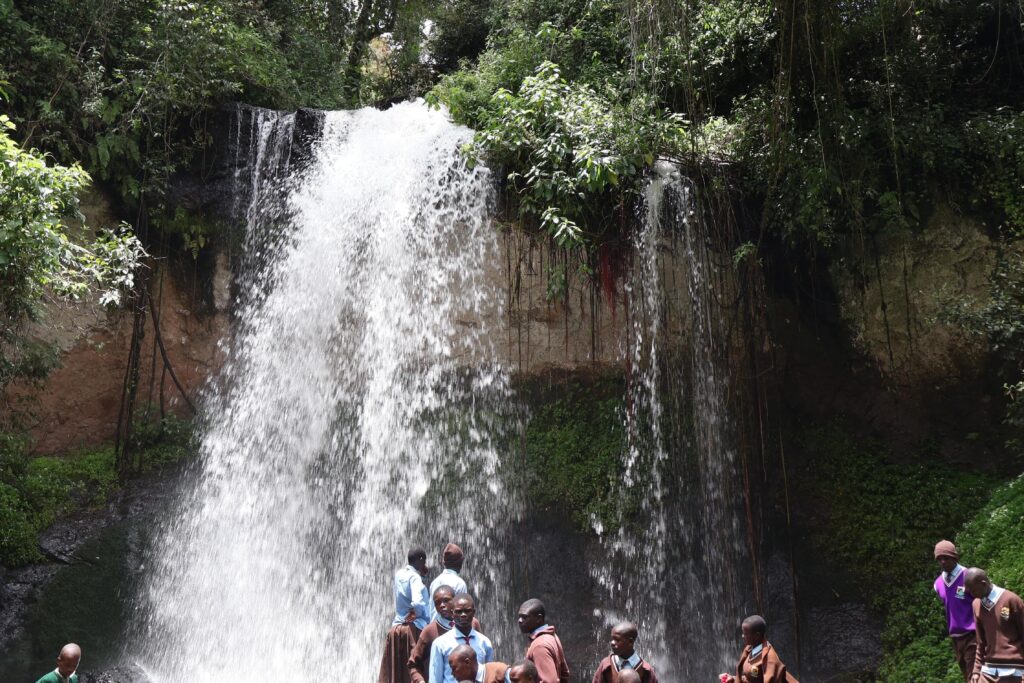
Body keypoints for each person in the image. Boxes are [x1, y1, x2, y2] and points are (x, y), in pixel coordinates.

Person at [410, 586, 483, 683]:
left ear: (455, 601)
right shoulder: (430, 631)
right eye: (437, 603)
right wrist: (420, 681)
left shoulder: (472, 623)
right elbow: (414, 663)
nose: (442, 605)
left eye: (446, 600)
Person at [379, 547, 430, 683]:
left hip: (396, 628)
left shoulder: (399, 574)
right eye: (424, 561)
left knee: (397, 670)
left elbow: (405, 591)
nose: (425, 564)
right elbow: (418, 602)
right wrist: (416, 612)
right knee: (416, 669)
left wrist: (422, 575)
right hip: (413, 630)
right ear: (420, 560)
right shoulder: (414, 578)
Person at [965, 567, 1024, 681]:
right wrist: (976, 671)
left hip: (1013, 668)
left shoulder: (1011, 600)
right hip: (989, 668)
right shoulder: (976, 604)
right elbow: (980, 642)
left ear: (984, 584)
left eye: (973, 591)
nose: (972, 595)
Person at [934, 540, 977, 681]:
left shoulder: (969, 577)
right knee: (966, 675)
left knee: (974, 676)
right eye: (939, 559)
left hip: (973, 634)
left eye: (945, 558)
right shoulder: (938, 584)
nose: (942, 562)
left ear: (954, 557)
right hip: (956, 637)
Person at [430, 593, 495, 683]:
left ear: (473, 612)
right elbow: (435, 680)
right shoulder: (440, 644)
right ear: (452, 613)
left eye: (467, 611)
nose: (463, 615)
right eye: (459, 611)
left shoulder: (484, 642)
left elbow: (489, 675)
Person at [720, 615, 798, 683]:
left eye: (745, 634)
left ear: (757, 635)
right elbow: (752, 678)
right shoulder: (749, 650)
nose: (742, 636)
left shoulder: (770, 660)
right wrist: (734, 679)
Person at [517, 598, 570, 683]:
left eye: (524, 617)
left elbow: (549, 681)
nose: (520, 621)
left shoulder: (539, 646)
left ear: (539, 618)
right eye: (519, 617)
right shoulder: (552, 636)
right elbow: (565, 674)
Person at [592, 621, 659, 683]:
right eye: (612, 639)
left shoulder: (646, 670)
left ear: (630, 642)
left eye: (617, 640)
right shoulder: (606, 666)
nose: (612, 643)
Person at [430, 543, 469, 620]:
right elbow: (461, 610)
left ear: (444, 562)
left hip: (435, 627)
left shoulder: (434, 582)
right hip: (450, 629)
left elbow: (431, 610)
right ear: (460, 562)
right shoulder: (459, 583)